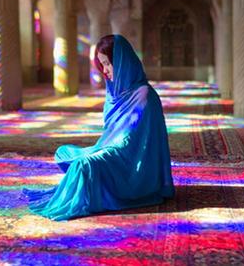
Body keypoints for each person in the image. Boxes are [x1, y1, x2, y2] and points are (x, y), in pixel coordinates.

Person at [24, 34, 174, 220]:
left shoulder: (144, 95)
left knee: (83, 166)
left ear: (122, 62)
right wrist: (99, 152)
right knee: (63, 153)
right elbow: (109, 134)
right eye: (102, 64)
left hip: (131, 164)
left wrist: (101, 155)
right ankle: (95, 182)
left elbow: (132, 144)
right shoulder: (115, 93)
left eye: (108, 63)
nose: (105, 70)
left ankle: (100, 188)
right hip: (111, 149)